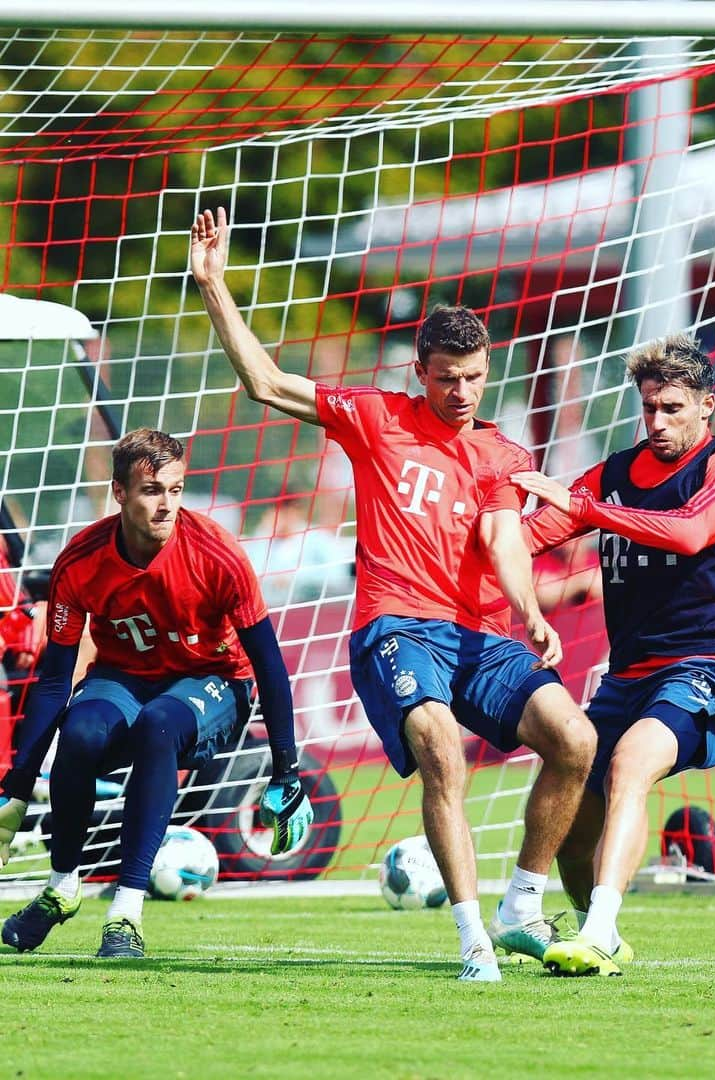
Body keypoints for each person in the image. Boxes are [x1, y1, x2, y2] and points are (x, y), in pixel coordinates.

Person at [190, 207, 596, 982]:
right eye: (447, 379)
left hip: (476, 634)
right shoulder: (378, 418)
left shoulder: (501, 452)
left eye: (475, 377)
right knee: (443, 751)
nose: (462, 392)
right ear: (421, 372)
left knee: (575, 742)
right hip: (397, 628)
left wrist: (534, 611)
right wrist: (214, 286)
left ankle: (521, 905)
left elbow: (506, 539)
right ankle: (474, 938)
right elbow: (265, 382)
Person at [0, 429, 313, 958]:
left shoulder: (218, 554)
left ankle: (126, 912)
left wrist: (286, 770)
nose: (166, 505)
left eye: (175, 488)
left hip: (214, 683)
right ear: (119, 492)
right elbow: (55, 682)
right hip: (125, 678)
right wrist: (16, 786)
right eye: (151, 490)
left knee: (159, 725)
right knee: (79, 730)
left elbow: (268, 666)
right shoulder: (79, 561)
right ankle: (61, 888)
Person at [513, 332, 715, 976]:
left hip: (706, 666)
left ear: (707, 405)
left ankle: (599, 931)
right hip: (629, 675)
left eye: (672, 408)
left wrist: (589, 509)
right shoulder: (614, 475)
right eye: (648, 407)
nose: (657, 421)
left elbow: (686, 532)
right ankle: (592, 932)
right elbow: (530, 536)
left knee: (629, 765)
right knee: (571, 814)